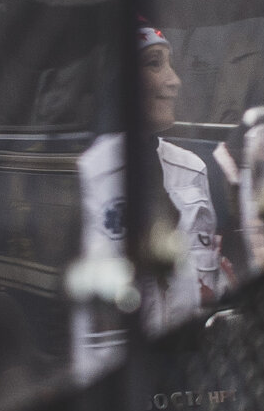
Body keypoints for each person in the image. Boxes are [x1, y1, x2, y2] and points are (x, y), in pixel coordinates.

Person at [71, 22, 220, 383]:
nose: (174, 80)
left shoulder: (191, 169)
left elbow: (206, 279)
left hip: (184, 373)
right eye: (155, 64)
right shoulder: (91, 175)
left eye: (170, 64)